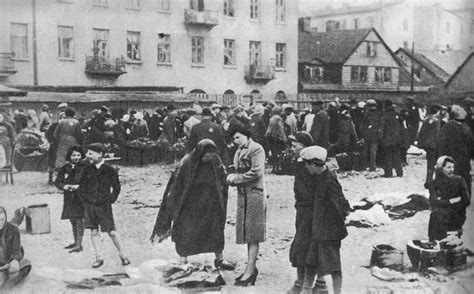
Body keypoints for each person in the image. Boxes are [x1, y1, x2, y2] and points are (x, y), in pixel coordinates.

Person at [151, 139, 234, 269]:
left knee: (215, 231)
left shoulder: (215, 161)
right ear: (200, 154)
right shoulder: (187, 162)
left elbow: (222, 177)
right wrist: (173, 206)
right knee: (185, 232)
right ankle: (183, 259)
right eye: (206, 156)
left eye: (211, 155)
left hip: (211, 205)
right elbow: (176, 186)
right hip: (190, 206)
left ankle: (219, 258)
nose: (208, 158)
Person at [297, 146, 350, 294]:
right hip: (317, 230)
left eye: (307, 164)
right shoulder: (318, 178)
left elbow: (340, 206)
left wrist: (333, 229)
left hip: (329, 233)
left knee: (333, 267)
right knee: (310, 262)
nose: (306, 167)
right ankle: (306, 290)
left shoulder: (329, 181)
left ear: (314, 164)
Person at [287, 133, 330, 294]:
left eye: (295, 145)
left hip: (311, 213)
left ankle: (309, 285)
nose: (292, 149)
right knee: (304, 247)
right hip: (303, 211)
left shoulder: (311, 167)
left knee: (309, 248)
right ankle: (316, 284)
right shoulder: (300, 165)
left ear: (305, 148)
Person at [226, 126, 266, 287]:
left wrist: (236, 178)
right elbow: (237, 168)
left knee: (254, 233)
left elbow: (256, 171)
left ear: (246, 136)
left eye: (238, 137)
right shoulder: (239, 151)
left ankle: (250, 270)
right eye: (234, 138)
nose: (235, 141)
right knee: (247, 233)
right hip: (244, 195)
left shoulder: (256, 149)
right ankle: (250, 268)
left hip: (255, 194)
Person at [79, 143, 130, 268]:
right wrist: (85, 199)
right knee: (94, 231)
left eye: (91, 153)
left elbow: (116, 187)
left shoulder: (109, 170)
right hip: (90, 205)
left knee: (111, 232)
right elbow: (82, 187)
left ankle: (123, 255)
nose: (87, 156)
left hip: (104, 205)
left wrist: (110, 199)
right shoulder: (87, 170)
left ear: (100, 154)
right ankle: (99, 257)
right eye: (87, 153)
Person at [425, 156, 470, 241]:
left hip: (457, 215)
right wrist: (451, 201)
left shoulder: (459, 180)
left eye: (453, 167)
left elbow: (466, 200)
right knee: (436, 215)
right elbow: (433, 202)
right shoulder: (434, 183)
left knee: (438, 215)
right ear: (441, 169)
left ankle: (439, 242)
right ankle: (435, 242)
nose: (451, 170)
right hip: (440, 214)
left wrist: (444, 203)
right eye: (448, 167)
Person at [55, 146, 86, 253]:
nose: (76, 157)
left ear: (82, 156)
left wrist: (78, 186)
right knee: (72, 218)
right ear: (69, 156)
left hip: (80, 197)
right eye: (73, 155)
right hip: (69, 197)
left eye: (78, 155)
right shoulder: (65, 168)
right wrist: (65, 186)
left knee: (78, 219)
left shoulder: (85, 167)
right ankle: (75, 241)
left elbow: (89, 182)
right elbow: (58, 181)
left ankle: (79, 244)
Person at [437, 105, 473, 193]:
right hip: (464, 159)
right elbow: (471, 145)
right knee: (464, 177)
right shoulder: (466, 128)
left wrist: (439, 156)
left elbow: (441, 143)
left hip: (450, 157)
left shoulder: (447, 126)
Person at [0, 207, 32, 290]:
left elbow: (17, 250)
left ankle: (6, 287)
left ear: (5, 218)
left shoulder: (13, 229)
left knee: (26, 264)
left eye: (2, 219)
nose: (1, 223)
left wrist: (15, 260)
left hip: (8, 261)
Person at [417, 104, 441, 184]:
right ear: (437, 111)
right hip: (434, 144)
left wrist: (420, 142)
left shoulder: (426, 119)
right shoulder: (437, 121)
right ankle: (433, 180)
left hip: (427, 144)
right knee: (436, 163)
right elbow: (437, 134)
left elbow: (422, 132)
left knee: (430, 163)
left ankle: (429, 179)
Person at [380, 103, 403, 177]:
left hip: (387, 140)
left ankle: (388, 172)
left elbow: (381, 130)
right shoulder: (397, 117)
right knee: (397, 156)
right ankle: (399, 172)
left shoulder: (384, 118)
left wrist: (380, 138)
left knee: (387, 156)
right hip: (396, 140)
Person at [361, 100, 382, 171]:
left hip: (367, 134)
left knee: (365, 150)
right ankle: (372, 166)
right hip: (376, 134)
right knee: (373, 151)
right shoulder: (379, 114)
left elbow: (363, 125)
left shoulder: (366, 114)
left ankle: (364, 166)